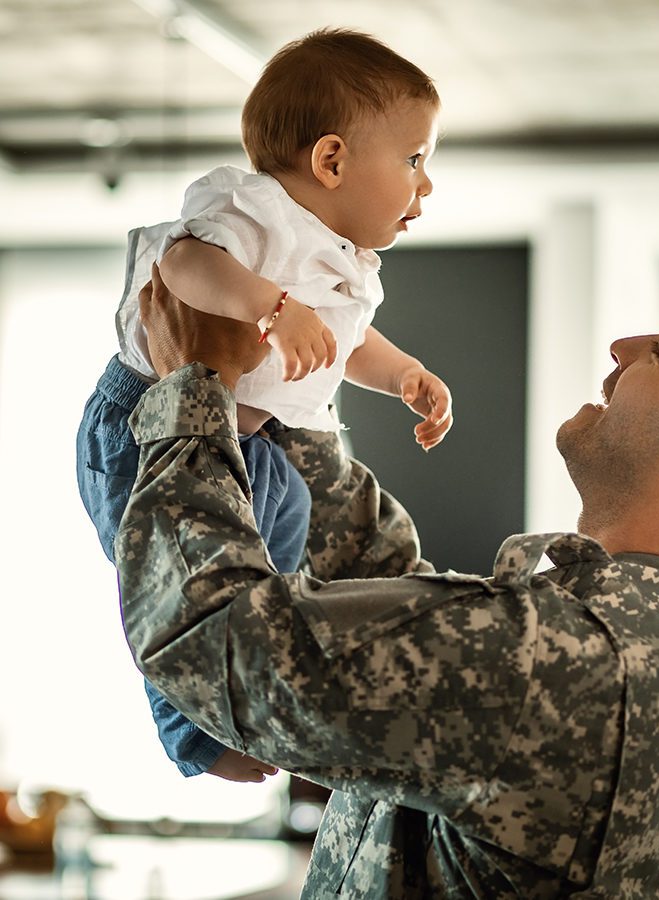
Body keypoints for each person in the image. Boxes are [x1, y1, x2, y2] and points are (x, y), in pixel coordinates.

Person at [116, 269, 659, 898]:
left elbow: (210, 640)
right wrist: (290, 405)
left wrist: (193, 389)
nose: (625, 346)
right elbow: (398, 622)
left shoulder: (578, 663)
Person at [76, 28, 451, 782]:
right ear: (332, 159)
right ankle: (190, 731)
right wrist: (271, 307)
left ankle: (241, 703)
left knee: (269, 570)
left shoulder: (340, 264)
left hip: (251, 453)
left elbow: (349, 345)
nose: (427, 184)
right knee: (179, 584)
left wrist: (406, 373)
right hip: (147, 426)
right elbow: (183, 263)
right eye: (414, 160)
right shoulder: (256, 211)